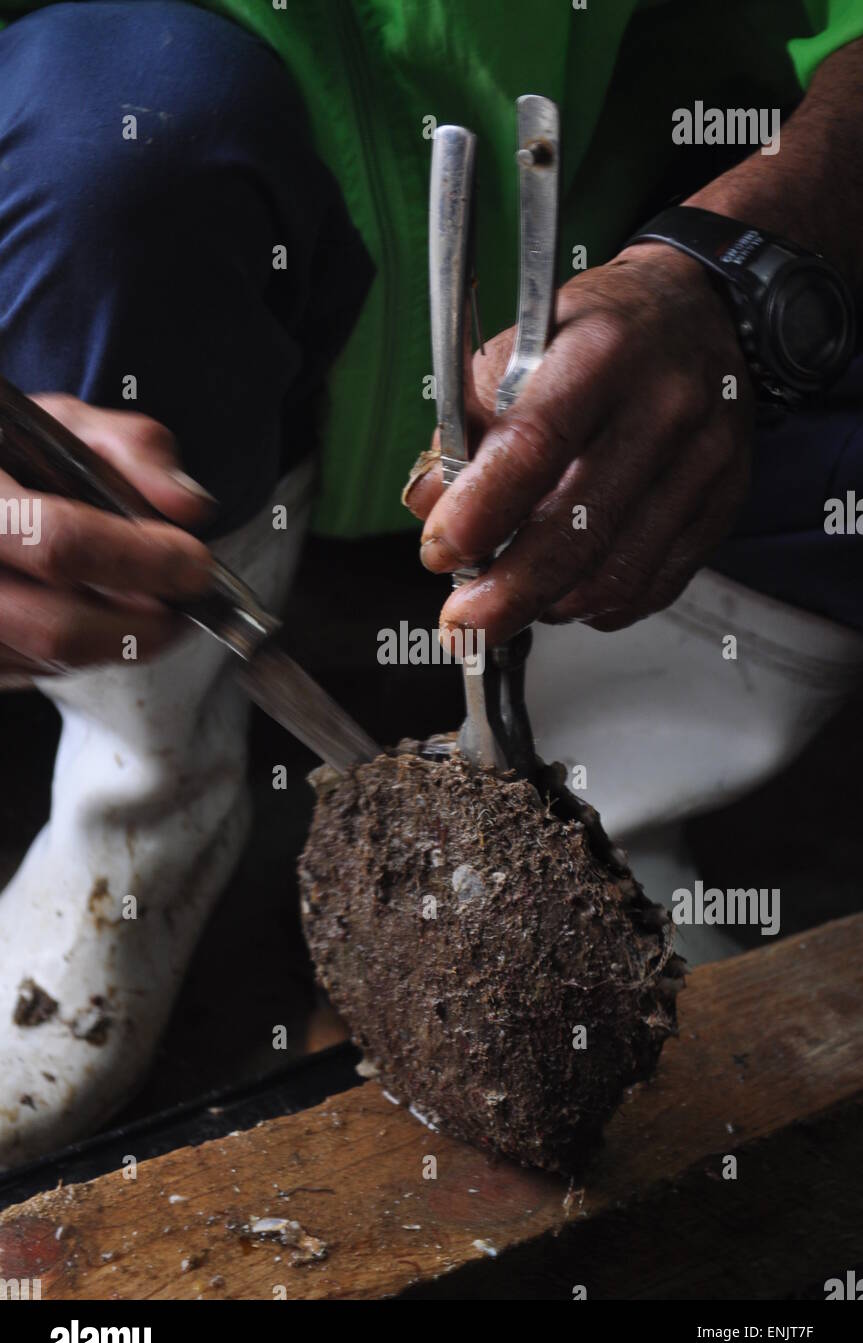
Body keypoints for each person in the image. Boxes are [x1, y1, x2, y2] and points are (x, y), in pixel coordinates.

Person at [0, 0, 861, 1164]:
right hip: (214, 243)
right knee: (119, 126)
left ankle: (605, 836)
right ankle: (130, 820)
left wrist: (748, 256)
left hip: (652, 210)